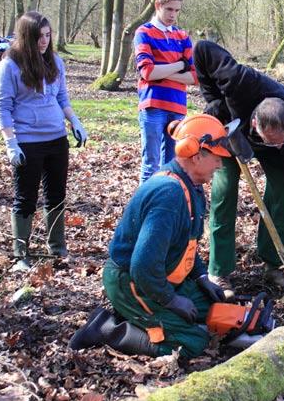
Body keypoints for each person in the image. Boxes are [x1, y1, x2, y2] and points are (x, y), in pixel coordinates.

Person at [69, 115, 231, 358]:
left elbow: (187, 245)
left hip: (160, 276)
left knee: (213, 310)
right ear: (198, 156)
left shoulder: (193, 188)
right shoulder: (169, 194)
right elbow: (142, 266)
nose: (219, 166)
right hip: (133, 282)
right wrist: (170, 300)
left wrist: (201, 277)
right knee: (192, 343)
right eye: (217, 159)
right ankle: (109, 328)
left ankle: (143, 314)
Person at [193, 41, 284, 289]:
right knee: (224, 191)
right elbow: (202, 50)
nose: (282, 146)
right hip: (230, 130)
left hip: (268, 140)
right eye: (276, 142)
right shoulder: (240, 82)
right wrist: (216, 105)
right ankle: (219, 270)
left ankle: (275, 264)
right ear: (256, 126)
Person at [0, 11, 88, 271]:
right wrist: (10, 143)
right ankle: (20, 253)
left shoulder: (56, 62)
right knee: (25, 197)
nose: (44, 41)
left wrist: (75, 122)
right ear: (26, 37)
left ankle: (57, 246)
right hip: (26, 141)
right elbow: (3, 106)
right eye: (38, 37)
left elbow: (62, 99)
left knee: (56, 194)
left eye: (47, 35)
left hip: (56, 139)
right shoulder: (9, 66)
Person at [134, 0, 197, 183]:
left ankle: (165, 206)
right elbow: (147, 71)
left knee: (172, 165)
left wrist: (161, 72)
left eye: (177, 10)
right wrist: (179, 64)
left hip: (178, 107)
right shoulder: (144, 32)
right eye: (169, 9)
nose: (173, 15)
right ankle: (144, 208)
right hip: (153, 105)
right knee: (150, 164)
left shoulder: (183, 36)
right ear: (158, 5)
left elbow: (194, 77)